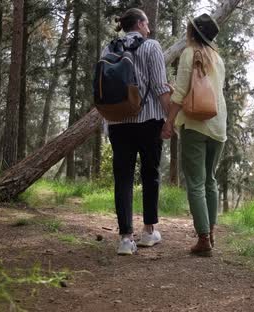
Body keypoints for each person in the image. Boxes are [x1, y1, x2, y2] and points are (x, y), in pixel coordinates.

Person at [103, 8, 172, 255]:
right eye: (147, 23)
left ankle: (124, 239)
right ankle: (148, 232)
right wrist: (170, 119)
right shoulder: (151, 47)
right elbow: (160, 86)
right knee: (150, 174)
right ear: (141, 24)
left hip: (117, 122)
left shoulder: (108, 48)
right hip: (148, 120)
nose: (149, 28)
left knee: (122, 178)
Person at [162, 14, 226, 257]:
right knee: (210, 179)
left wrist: (168, 122)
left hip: (195, 124)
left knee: (196, 183)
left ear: (192, 32)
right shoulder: (218, 59)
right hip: (218, 124)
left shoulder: (189, 54)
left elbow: (179, 95)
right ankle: (210, 234)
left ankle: (202, 239)